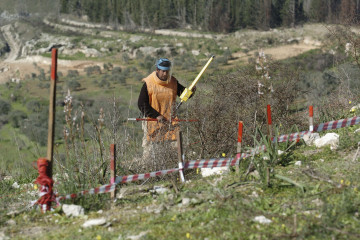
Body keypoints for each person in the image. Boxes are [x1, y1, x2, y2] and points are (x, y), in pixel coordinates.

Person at [137, 58, 195, 171]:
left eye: (167, 71)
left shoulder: (173, 82)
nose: (165, 73)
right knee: (151, 151)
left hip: (171, 122)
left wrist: (191, 92)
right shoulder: (148, 83)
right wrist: (156, 115)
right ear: (157, 70)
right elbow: (141, 104)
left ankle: (177, 170)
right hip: (153, 123)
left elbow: (183, 94)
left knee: (176, 148)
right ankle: (146, 171)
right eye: (163, 71)